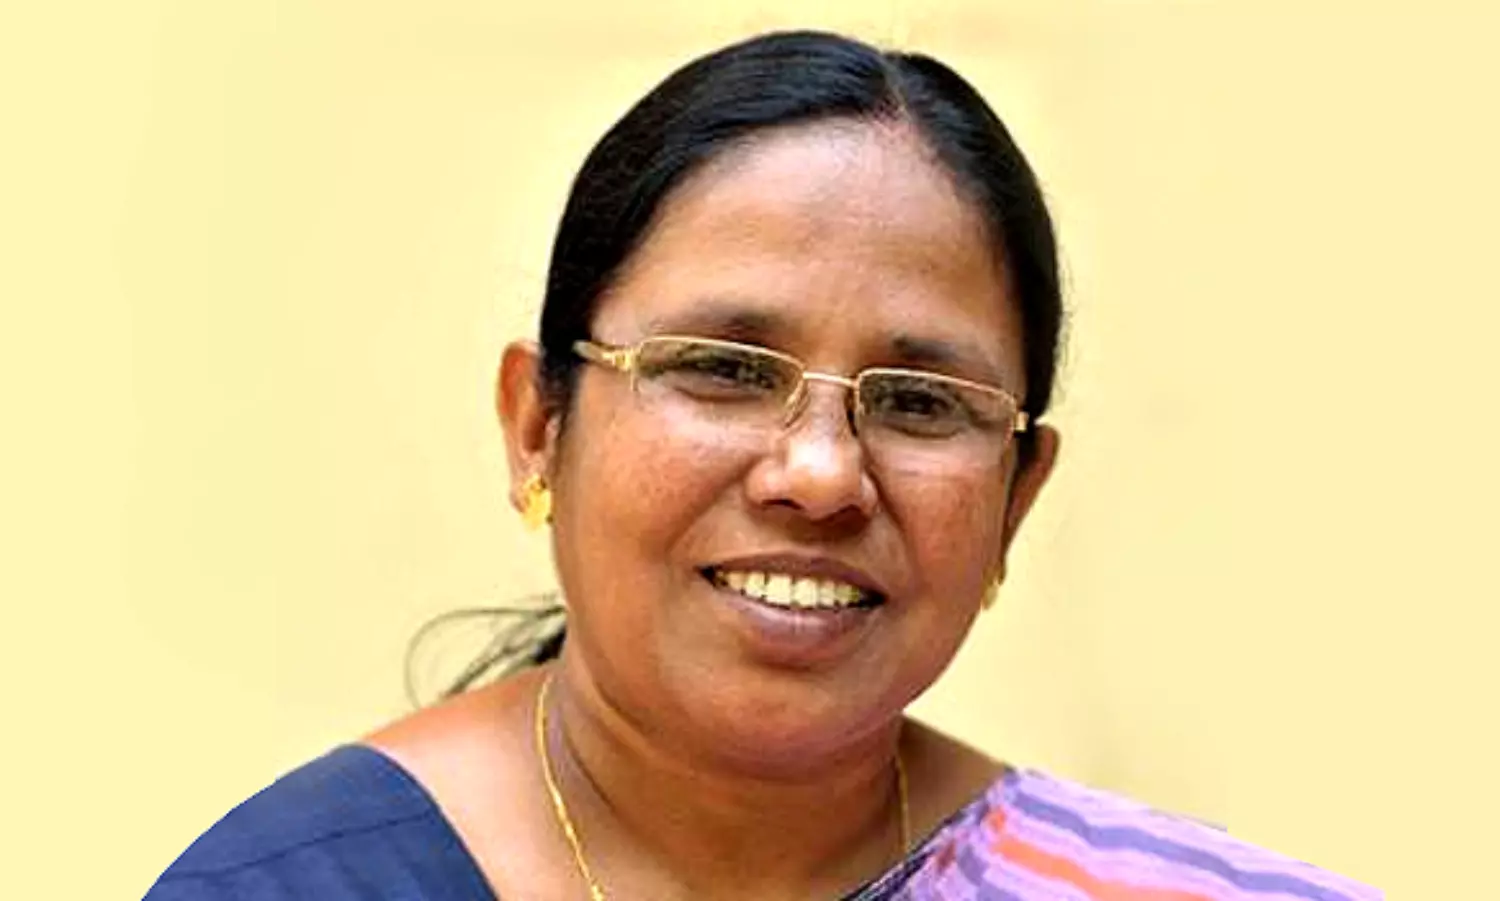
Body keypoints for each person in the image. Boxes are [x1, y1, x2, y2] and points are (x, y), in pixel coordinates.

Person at [144, 30, 1379, 901]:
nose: (821, 473)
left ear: (1017, 497)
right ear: (538, 424)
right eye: (724, 369)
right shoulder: (305, 883)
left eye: (919, 402)